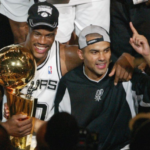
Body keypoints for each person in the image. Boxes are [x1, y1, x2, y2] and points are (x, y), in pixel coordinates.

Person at [2, 2, 136, 149]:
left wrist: (127, 57)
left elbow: (99, 58)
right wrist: (5, 127)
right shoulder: (7, 57)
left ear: (56, 32)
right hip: (7, 141)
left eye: (49, 35)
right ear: (27, 29)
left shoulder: (65, 57)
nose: (42, 41)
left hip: (48, 142)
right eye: (37, 33)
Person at [53, 24, 150, 150]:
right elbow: (61, 133)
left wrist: (147, 55)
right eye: (94, 52)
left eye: (106, 50)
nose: (102, 58)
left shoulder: (124, 74)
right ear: (81, 54)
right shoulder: (69, 83)